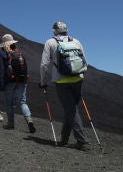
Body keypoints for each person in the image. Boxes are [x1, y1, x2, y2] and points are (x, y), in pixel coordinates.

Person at [40, 21, 89, 150]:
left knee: (71, 110)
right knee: (71, 109)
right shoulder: (76, 41)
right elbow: (85, 61)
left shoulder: (50, 43)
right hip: (78, 79)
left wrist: (43, 82)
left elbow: (44, 65)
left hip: (62, 81)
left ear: (54, 31)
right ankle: (64, 139)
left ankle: (82, 141)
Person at [0, 34, 36, 132]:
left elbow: (1, 70)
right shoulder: (19, 53)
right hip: (22, 81)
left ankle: (11, 124)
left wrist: (1, 85)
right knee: (22, 102)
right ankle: (30, 121)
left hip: (9, 82)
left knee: (9, 104)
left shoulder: (2, 54)